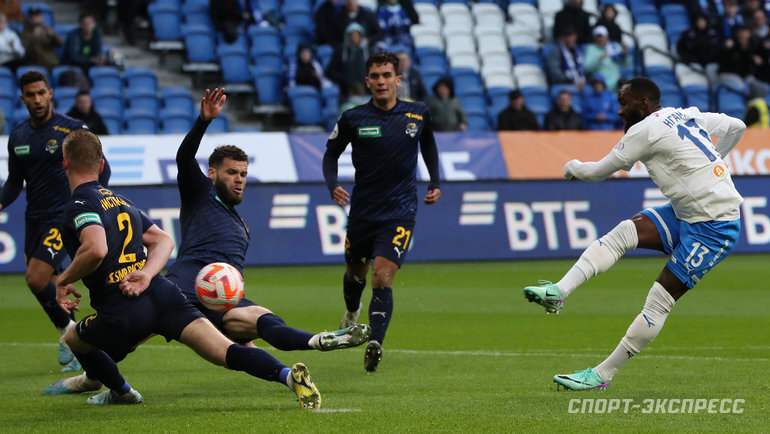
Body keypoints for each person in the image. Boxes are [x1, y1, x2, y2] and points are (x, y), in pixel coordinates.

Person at [41, 129, 322, 409]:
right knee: (225, 351)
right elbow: (163, 240)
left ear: (64, 163)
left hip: (123, 306)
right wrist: (147, 274)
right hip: (163, 294)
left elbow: (96, 249)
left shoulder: (79, 204)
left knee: (74, 339)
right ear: (101, 165)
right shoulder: (122, 201)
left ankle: (121, 391)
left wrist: (64, 280)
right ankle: (288, 377)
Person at [523, 77, 745, 390]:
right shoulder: (687, 113)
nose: (619, 111)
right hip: (686, 212)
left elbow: (597, 172)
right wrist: (716, 162)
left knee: (658, 303)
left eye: (624, 103)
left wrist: (571, 166)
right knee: (624, 232)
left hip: (714, 227)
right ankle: (559, 291)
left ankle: (602, 375)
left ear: (643, 104)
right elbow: (737, 125)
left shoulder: (644, 130)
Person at [164, 87, 370, 352]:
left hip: (222, 299)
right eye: (232, 172)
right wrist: (204, 121)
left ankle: (317, 340)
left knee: (266, 319)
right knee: (134, 328)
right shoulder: (201, 191)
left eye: (244, 174)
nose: (239, 179)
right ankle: (96, 376)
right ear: (212, 174)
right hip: (183, 286)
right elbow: (184, 157)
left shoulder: (241, 227)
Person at [323, 51, 441, 372]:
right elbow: (331, 153)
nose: (381, 81)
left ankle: (375, 342)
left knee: (382, 277)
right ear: (367, 81)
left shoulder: (417, 115)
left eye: (387, 75)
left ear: (397, 80)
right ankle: (351, 312)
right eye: (375, 76)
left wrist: (435, 180)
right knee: (355, 275)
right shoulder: (353, 118)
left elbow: (428, 144)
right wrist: (332, 184)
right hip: (362, 214)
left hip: (400, 213)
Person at [0, 71, 111, 372]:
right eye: (30, 95)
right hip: (33, 219)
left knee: (35, 278)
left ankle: (69, 336)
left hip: (64, 216)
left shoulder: (73, 130)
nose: (37, 100)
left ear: (50, 93)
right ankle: (78, 341)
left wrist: (92, 200)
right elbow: (14, 182)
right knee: (45, 284)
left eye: (41, 93)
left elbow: (103, 168)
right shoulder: (19, 137)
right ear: (22, 98)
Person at [326, 22, 369, 96]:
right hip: (346, 90)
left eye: (357, 35)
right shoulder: (341, 51)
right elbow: (330, 71)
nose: (355, 37)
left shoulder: (368, 51)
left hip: (365, 89)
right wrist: (345, 80)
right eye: (352, 35)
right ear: (348, 36)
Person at [584, 25, 628, 92]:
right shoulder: (591, 49)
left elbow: (626, 65)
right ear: (595, 38)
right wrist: (598, 60)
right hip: (600, 83)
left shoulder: (615, 46)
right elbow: (586, 68)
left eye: (602, 36)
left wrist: (625, 54)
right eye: (598, 37)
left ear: (607, 37)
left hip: (616, 82)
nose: (600, 39)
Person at [547, 27, 586, 91]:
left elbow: (584, 68)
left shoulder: (579, 50)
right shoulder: (556, 51)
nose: (570, 39)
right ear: (563, 38)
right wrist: (571, 82)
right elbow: (555, 72)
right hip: (564, 83)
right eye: (568, 37)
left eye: (572, 37)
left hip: (581, 82)